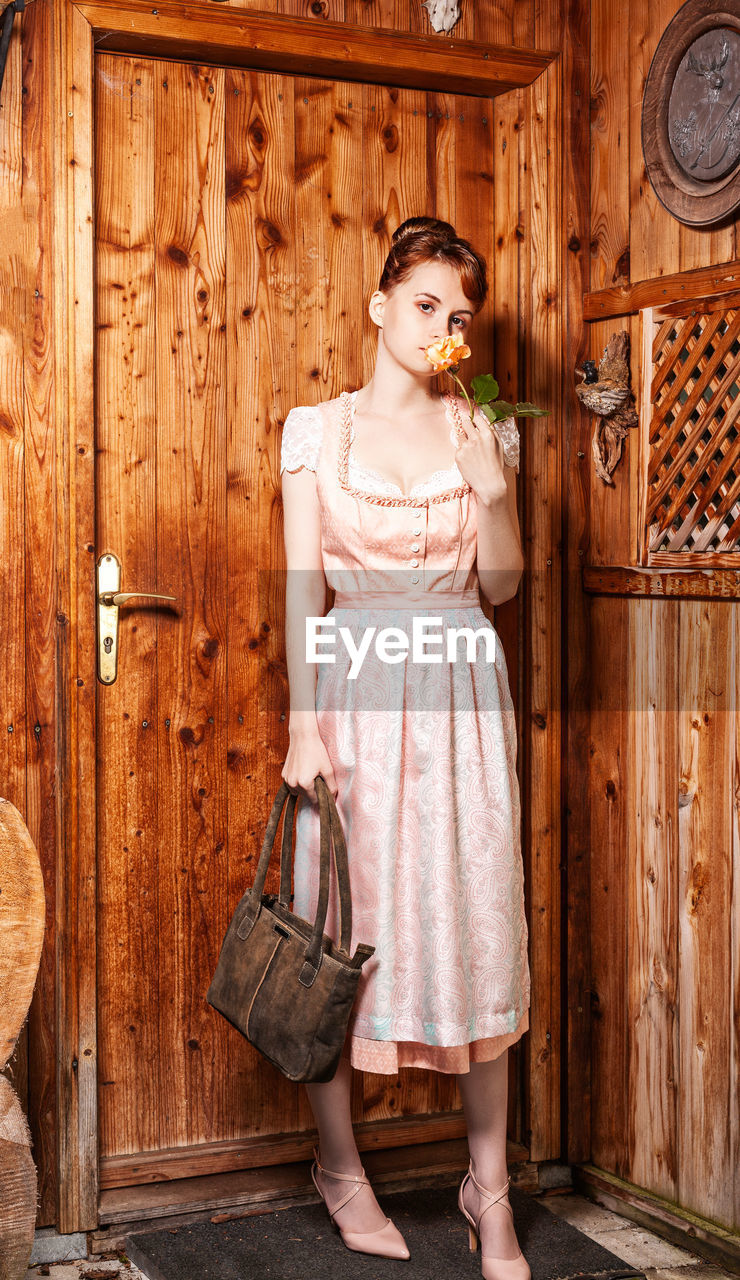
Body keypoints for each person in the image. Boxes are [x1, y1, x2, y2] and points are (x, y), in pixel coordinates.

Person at [279, 216, 531, 1280]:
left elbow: (504, 586)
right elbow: (303, 590)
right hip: (354, 690)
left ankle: (490, 1186)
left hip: (460, 693)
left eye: (458, 315)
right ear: (379, 305)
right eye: (424, 303)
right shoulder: (313, 430)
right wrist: (302, 724)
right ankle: (339, 1168)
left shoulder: (479, 427)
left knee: (476, 921)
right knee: (339, 937)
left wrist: (491, 487)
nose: (442, 327)